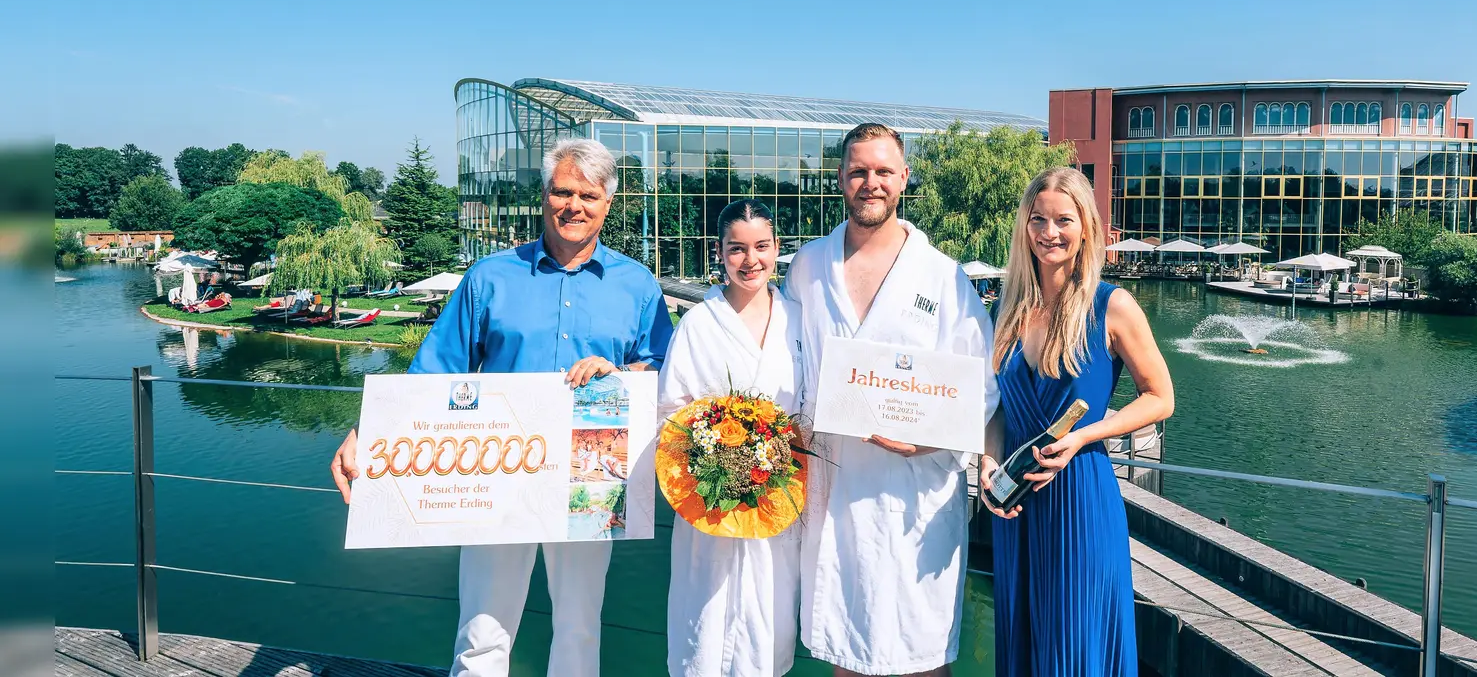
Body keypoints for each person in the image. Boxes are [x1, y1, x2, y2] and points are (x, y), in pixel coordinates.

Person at [329, 137, 674, 677]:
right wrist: (367, 432)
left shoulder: (638, 285)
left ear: (609, 202)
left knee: (580, 627)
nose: (573, 206)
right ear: (544, 195)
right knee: (483, 630)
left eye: (588, 195)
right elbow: (436, 369)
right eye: (563, 191)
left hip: (593, 473)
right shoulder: (489, 277)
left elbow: (664, 371)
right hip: (498, 469)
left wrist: (624, 372)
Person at [782, 123, 997, 677]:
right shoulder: (808, 267)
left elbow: (983, 384)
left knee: (921, 655)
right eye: (858, 171)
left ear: (903, 178)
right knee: (845, 652)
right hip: (836, 491)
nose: (870, 183)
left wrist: (931, 438)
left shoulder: (945, 278)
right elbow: (787, 366)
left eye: (882, 171)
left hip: (915, 497)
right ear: (840, 179)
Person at [979, 167, 1174, 677]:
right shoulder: (1007, 307)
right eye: (1038, 219)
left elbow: (1160, 398)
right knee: (1023, 641)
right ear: (1025, 227)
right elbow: (996, 406)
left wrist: (1086, 434)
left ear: (1086, 226)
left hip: (1080, 498)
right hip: (1013, 506)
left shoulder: (1112, 306)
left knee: (1075, 642)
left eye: (1063, 219)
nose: (1049, 232)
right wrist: (987, 462)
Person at [659, 199, 804, 677]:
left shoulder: (800, 322)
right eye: (736, 249)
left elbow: (816, 407)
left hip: (777, 499)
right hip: (710, 502)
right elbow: (670, 414)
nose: (750, 260)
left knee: (770, 625)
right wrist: (713, 456)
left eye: (761, 246)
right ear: (718, 253)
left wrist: (772, 455)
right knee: (704, 619)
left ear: (777, 248)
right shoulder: (699, 324)